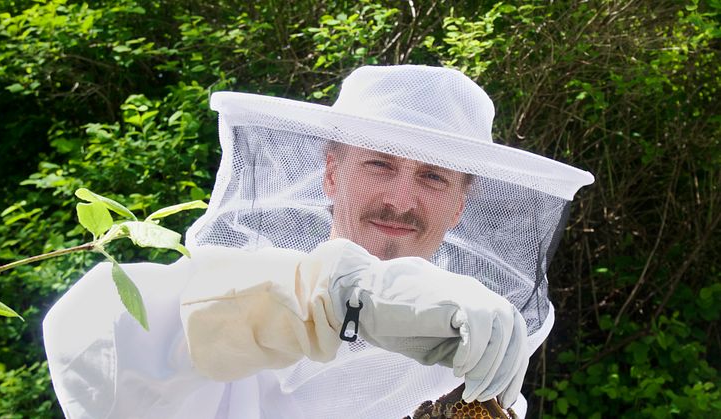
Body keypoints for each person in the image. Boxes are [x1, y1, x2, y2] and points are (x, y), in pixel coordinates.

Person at [43, 65, 593, 418]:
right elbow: (93, 337)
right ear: (332, 174)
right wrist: (340, 301)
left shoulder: (470, 336)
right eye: (380, 164)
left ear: (460, 202)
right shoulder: (245, 287)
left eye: (433, 177)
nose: (401, 201)